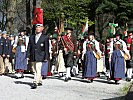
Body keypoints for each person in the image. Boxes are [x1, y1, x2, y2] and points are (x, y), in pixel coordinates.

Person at [27, 24, 49, 89]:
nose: (37, 29)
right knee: (34, 69)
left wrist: (46, 57)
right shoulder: (32, 37)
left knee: (38, 68)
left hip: (40, 55)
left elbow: (46, 48)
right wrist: (28, 55)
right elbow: (29, 47)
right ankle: (40, 80)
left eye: (39, 27)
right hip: (33, 55)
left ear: (42, 28)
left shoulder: (45, 37)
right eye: (37, 27)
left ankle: (35, 82)